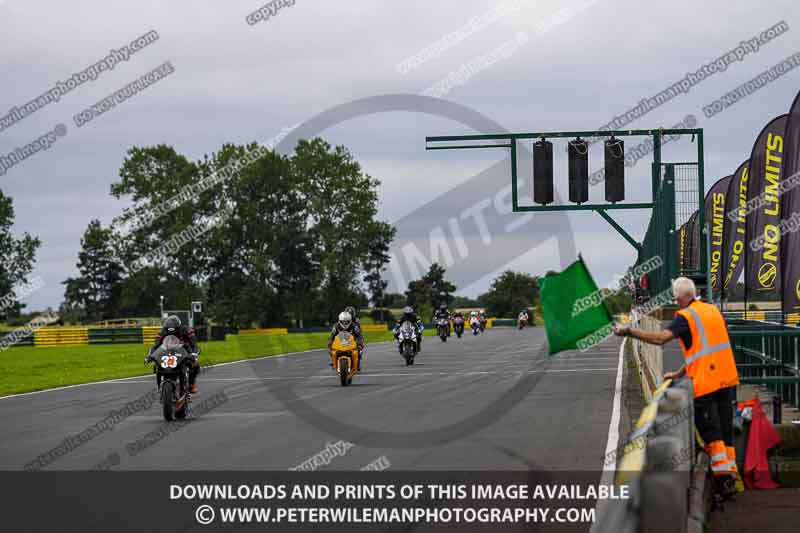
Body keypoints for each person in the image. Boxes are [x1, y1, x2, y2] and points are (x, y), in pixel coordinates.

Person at [612, 277, 740, 500]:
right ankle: (732, 477)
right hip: (726, 379)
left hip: (706, 382)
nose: (676, 301)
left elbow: (662, 338)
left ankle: (723, 481)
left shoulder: (685, 317)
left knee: (712, 432)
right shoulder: (711, 310)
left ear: (680, 297)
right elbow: (704, 350)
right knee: (726, 432)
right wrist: (680, 373)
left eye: (675, 297)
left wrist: (629, 332)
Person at [149, 315, 201, 394]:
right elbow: (156, 345)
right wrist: (151, 355)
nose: (171, 332)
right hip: (168, 352)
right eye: (169, 330)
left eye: (174, 330)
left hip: (185, 351)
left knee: (195, 364)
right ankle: (159, 386)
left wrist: (194, 353)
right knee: (157, 364)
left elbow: (194, 344)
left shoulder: (187, 330)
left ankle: (191, 384)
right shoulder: (162, 331)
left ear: (178, 327)